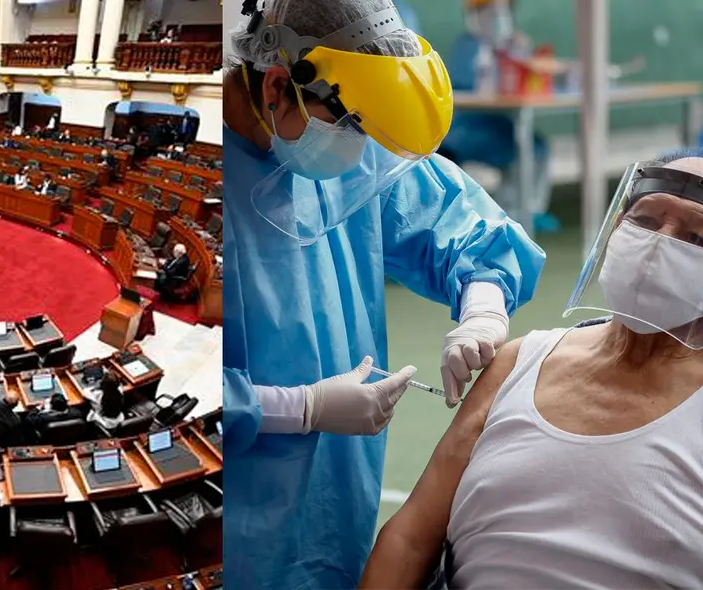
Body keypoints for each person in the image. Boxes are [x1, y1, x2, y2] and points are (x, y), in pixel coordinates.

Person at [222, 1, 545, 588]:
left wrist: (484, 307)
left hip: (335, 510)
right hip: (238, 527)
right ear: (276, 84)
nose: (358, 146)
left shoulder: (346, 140)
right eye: (349, 127)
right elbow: (173, 393)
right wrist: (297, 408)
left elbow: (464, 224)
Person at [362, 152, 703, 589]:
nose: (660, 245)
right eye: (647, 220)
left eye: (695, 237)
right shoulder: (519, 363)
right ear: (617, 227)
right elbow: (409, 539)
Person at [440, 0, 557, 232]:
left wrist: (519, 55)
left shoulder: (512, 45)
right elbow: (465, 90)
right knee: (523, 148)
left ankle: (529, 210)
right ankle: (507, 216)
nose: (498, 17)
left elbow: (520, 83)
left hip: (494, 122)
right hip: (465, 126)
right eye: (490, 11)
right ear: (475, 15)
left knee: (538, 146)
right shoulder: (467, 46)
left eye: (505, 11)